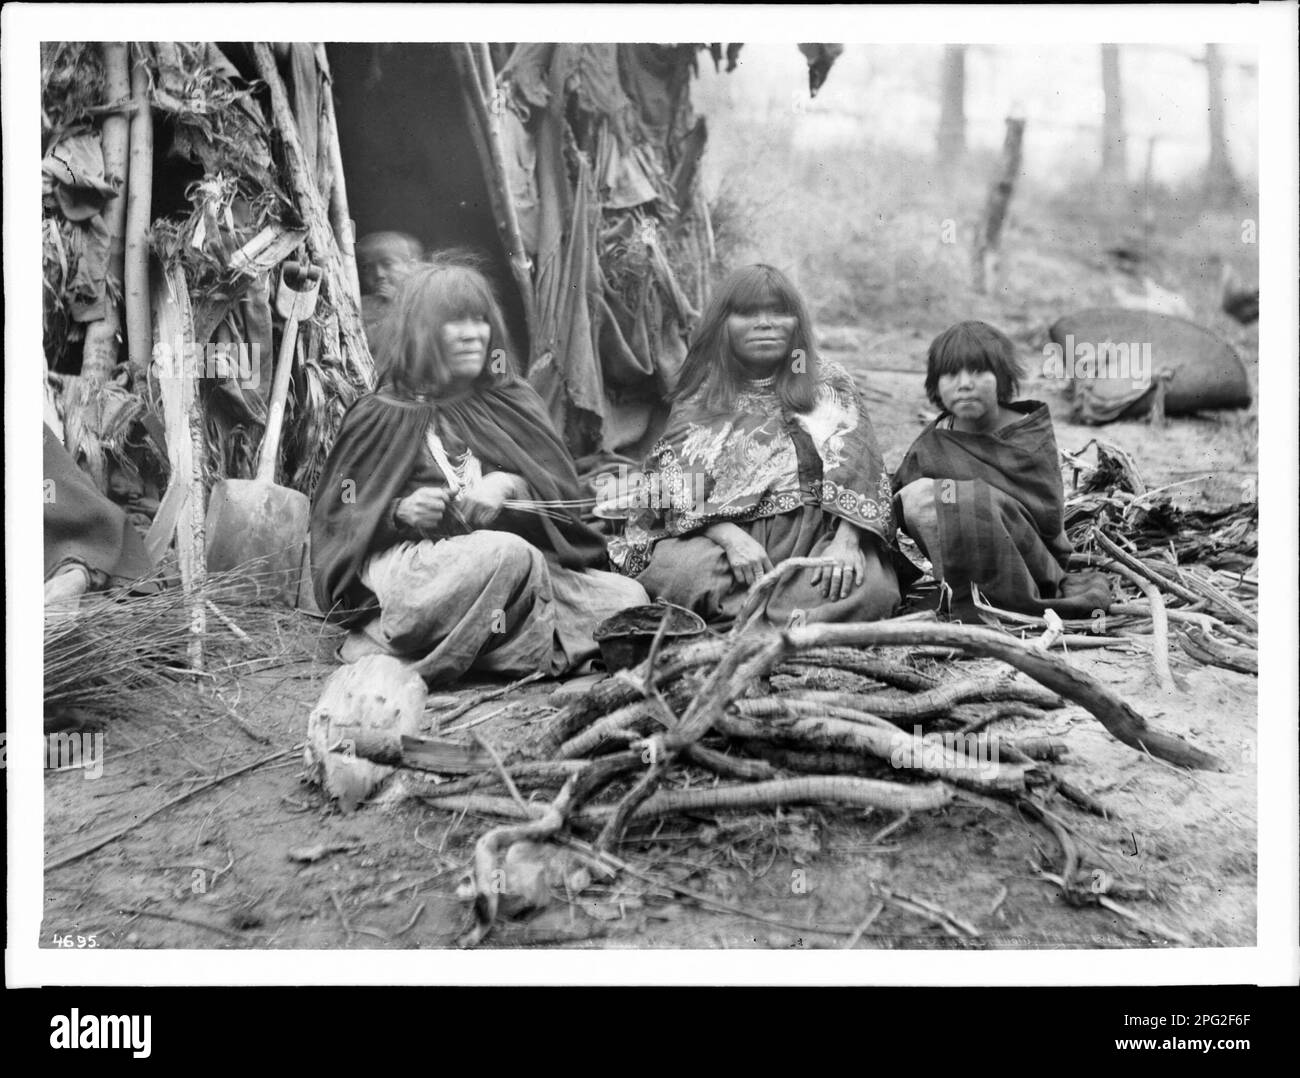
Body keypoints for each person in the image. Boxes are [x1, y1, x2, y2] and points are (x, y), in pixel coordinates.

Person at [309, 259, 647, 685]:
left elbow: (564, 497)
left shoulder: (510, 401)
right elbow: (339, 510)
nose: (473, 334)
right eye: (454, 323)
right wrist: (399, 512)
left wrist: (507, 485)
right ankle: (428, 641)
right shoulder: (380, 413)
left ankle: (471, 650)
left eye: (480, 320)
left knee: (627, 602)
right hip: (422, 571)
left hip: (518, 576)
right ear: (421, 333)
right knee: (505, 552)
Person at [616, 264, 900, 627]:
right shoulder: (700, 395)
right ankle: (790, 620)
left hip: (814, 536)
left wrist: (846, 544)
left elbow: (863, 473)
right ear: (723, 326)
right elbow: (670, 488)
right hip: (723, 541)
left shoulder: (828, 383)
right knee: (677, 573)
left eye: (779, 312)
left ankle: (758, 618)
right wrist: (731, 539)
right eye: (748, 313)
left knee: (867, 587)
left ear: (796, 323)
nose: (765, 323)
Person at [893, 320, 1111, 619]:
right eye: (951, 374)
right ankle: (961, 590)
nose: (964, 383)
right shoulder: (935, 438)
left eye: (978, 371)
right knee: (919, 497)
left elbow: (1047, 522)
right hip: (966, 562)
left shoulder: (1025, 436)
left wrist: (975, 502)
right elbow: (891, 500)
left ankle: (989, 602)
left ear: (1001, 378)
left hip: (1031, 564)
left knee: (938, 498)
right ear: (935, 384)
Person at [356, 231, 424, 350]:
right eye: (367, 267)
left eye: (387, 264)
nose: (378, 274)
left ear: (412, 266)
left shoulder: (425, 299)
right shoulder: (359, 306)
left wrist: (398, 302)